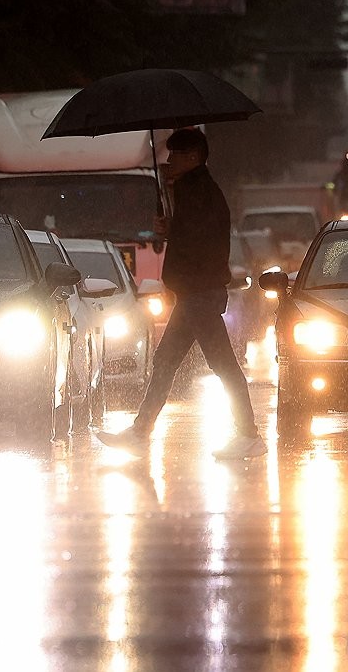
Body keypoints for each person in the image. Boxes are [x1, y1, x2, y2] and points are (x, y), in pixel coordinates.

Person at [97, 128, 267, 460]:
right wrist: (172, 228)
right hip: (192, 294)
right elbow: (194, 236)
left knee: (222, 365)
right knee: (166, 361)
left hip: (199, 294)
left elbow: (200, 243)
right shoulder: (193, 190)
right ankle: (141, 430)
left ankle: (248, 434)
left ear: (192, 158)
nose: (169, 162)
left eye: (175, 156)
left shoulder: (199, 192)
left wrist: (174, 230)